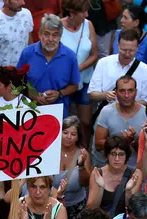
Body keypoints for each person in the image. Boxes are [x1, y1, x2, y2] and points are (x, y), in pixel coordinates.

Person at [17, 14, 81, 118]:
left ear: (60, 36)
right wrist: (32, 94)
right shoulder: (27, 53)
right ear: (39, 34)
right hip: (29, 112)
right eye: (46, 34)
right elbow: (17, 82)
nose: (50, 39)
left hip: (58, 114)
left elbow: (75, 85)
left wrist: (59, 94)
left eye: (55, 35)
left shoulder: (70, 57)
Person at [92, 76, 147, 172]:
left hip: (136, 170)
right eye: (122, 91)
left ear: (136, 92)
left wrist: (133, 142)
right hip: (109, 169)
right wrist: (122, 141)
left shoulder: (146, 114)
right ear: (116, 93)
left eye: (130, 91)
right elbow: (98, 144)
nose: (126, 95)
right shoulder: (106, 111)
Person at [60, 0, 97, 136]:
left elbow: (94, 54)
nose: (87, 15)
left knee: (86, 122)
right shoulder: (58, 27)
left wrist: (78, 68)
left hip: (85, 79)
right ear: (72, 13)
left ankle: (84, 151)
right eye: (83, 12)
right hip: (64, 82)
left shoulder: (88, 25)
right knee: (65, 122)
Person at [88, 29, 147, 105]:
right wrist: (105, 95)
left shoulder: (145, 69)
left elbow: (146, 100)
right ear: (117, 45)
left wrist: (129, 104)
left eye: (131, 51)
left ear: (137, 47)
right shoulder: (103, 63)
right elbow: (92, 94)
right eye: (124, 50)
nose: (127, 54)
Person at [56, 118, 91, 219]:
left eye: (73, 134)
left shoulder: (82, 153)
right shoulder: (51, 152)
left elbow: (86, 182)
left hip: (76, 209)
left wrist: (81, 166)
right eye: (65, 132)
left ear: (78, 137)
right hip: (53, 205)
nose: (68, 137)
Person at [88, 137, 139, 219]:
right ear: (107, 155)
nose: (117, 159)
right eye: (113, 154)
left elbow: (133, 211)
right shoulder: (97, 173)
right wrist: (101, 188)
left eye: (121, 154)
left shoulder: (135, 174)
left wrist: (128, 191)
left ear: (127, 156)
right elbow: (91, 209)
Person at [0, 0, 33, 74]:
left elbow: (30, 44)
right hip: (6, 77)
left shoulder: (26, 14)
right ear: (6, 1)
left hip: (25, 73)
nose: (23, 3)